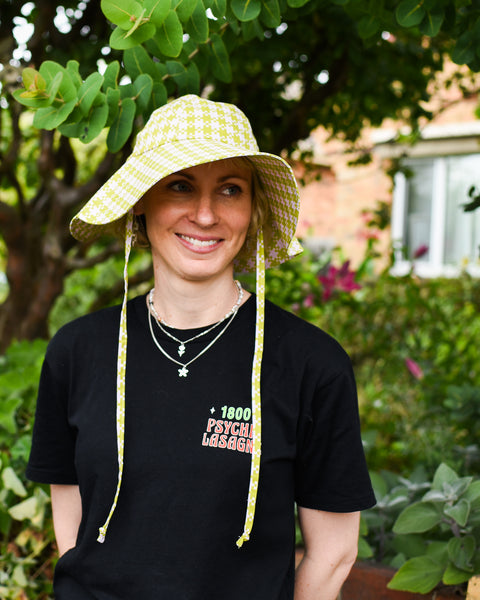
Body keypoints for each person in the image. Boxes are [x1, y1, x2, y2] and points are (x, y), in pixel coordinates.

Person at [26, 94, 375, 600]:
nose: (206, 214)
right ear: (142, 202)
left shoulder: (310, 364)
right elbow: (73, 521)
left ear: (252, 210)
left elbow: (334, 552)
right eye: (181, 186)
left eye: (230, 190)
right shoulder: (78, 351)